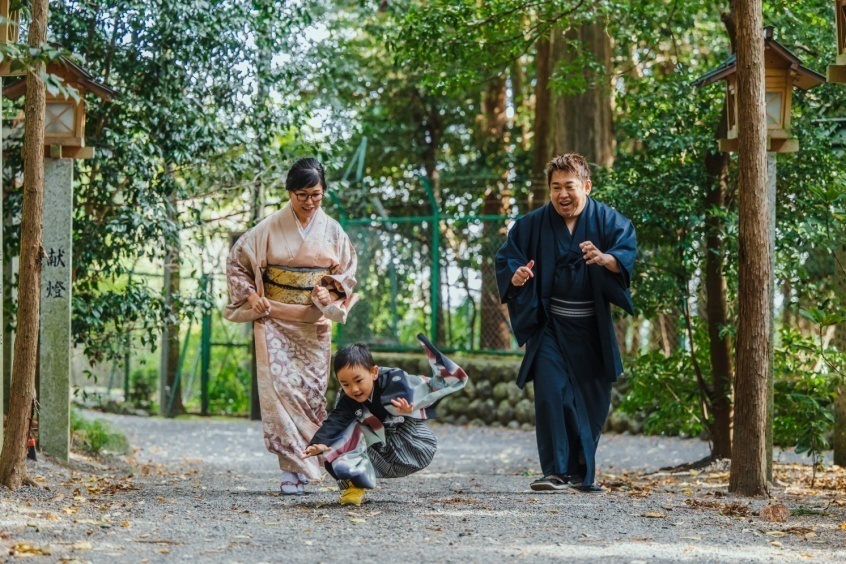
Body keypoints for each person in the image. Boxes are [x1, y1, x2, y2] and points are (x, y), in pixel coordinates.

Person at [495, 153, 636, 493]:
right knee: (549, 393)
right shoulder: (531, 224)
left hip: (591, 329)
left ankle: (580, 472)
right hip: (551, 327)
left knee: (592, 400)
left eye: (569, 186)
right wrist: (515, 277)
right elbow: (507, 257)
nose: (563, 194)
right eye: (555, 187)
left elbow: (626, 250)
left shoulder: (607, 220)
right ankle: (555, 471)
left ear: (586, 186)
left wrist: (607, 260)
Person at [224, 157, 359, 495]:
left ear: (323, 192)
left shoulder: (333, 231)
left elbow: (347, 273)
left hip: (313, 324)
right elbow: (236, 263)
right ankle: (289, 470)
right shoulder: (268, 228)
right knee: (280, 395)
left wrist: (331, 287)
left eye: (316, 194)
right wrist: (253, 296)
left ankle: (308, 463)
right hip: (274, 322)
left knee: (311, 396)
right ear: (289, 193)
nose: (310, 202)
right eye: (302, 194)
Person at [304, 334, 468, 506]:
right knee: (338, 448)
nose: (354, 389)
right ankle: (355, 485)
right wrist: (320, 442)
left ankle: (362, 472)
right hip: (371, 439)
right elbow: (336, 421)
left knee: (410, 438)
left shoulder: (394, 379)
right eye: (345, 384)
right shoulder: (347, 399)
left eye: (358, 380)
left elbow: (412, 391)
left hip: (405, 434)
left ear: (374, 372)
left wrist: (409, 407)